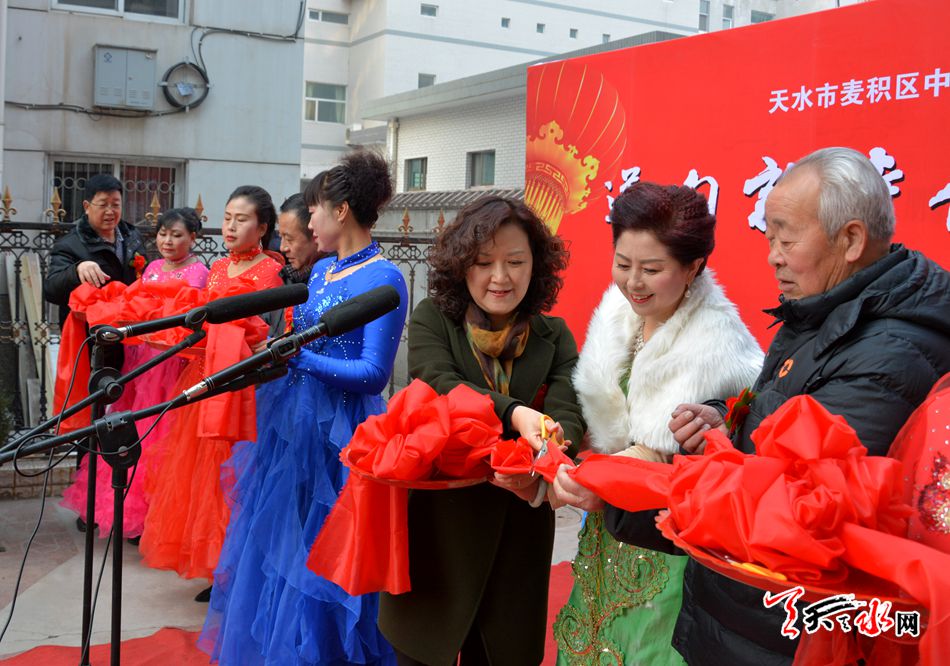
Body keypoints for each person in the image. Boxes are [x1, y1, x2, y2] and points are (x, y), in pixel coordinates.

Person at [602, 147, 950, 665]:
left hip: (786, 630)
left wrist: (616, 489)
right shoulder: (826, 314)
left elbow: (790, 509)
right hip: (746, 619)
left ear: (852, 240)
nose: (773, 257)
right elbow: (774, 431)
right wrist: (724, 421)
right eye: (770, 239)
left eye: (786, 240)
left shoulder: (887, 354)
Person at [199, 151, 407, 665]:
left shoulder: (385, 278)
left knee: (330, 544)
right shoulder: (322, 272)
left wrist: (300, 355)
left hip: (345, 433)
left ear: (341, 210)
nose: (309, 221)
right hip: (293, 423)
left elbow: (373, 374)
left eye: (314, 209)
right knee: (284, 545)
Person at [550, 183, 763, 665]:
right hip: (606, 528)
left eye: (651, 269)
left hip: (666, 540)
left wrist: (615, 474)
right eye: (623, 264)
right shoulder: (616, 316)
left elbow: (712, 465)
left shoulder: (721, 349)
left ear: (693, 267)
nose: (633, 283)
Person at [377, 196, 587, 666]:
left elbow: (568, 410)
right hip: (438, 525)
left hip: (518, 529)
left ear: (537, 266)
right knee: (420, 651)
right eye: (484, 262)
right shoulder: (433, 318)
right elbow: (440, 383)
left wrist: (552, 448)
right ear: (461, 265)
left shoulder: (554, 335)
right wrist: (516, 414)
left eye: (515, 262)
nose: (500, 277)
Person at [139, 186, 284, 596]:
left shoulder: (271, 273)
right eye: (227, 218)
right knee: (202, 479)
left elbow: (268, 335)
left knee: (235, 478)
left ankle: (237, 570)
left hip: (242, 385)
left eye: (242, 219)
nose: (231, 226)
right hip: (203, 379)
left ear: (262, 228)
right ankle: (216, 567)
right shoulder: (218, 268)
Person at [60, 208, 209, 541]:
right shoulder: (152, 268)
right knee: (129, 430)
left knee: (159, 435)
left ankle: (150, 518)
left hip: (171, 363)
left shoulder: (200, 273)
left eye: (177, 235)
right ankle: (120, 510)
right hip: (140, 361)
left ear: (193, 238)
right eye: (163, 234)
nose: (168, 241)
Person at [44, 173, 147, 330]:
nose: (110, 211)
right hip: (91, 332)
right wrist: (76, 270)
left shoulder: (133, 236)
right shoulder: (69, 244)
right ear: (87, 207)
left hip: (130, 327)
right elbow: (51, 291)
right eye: (103, 205)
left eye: (115, 205)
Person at [277, 191, 324, 284]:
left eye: (289, 239)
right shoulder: (287, 275)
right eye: (280, 237)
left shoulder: (330, 279)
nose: (282, 248)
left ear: (315, 234)